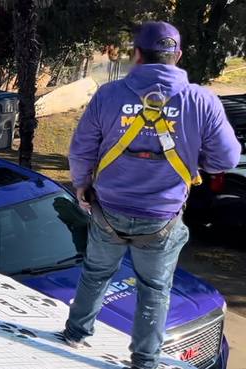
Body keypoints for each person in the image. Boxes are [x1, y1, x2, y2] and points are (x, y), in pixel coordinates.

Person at [63, 21, 240, 369]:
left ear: (137, 54)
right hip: (162, 218)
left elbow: (82, 148)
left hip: (108, 210)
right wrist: (195, 159)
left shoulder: (109, 96)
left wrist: (81, 183)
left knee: (96, 273)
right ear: (178, 55)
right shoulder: (200, 101)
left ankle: (76, 332)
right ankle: (145, 361)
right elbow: (227, 158)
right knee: (154, 290)